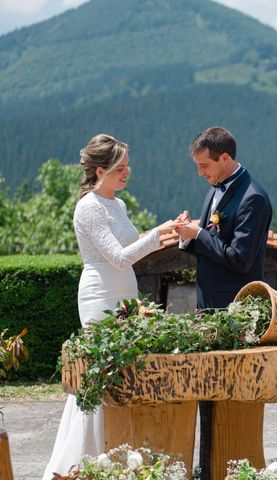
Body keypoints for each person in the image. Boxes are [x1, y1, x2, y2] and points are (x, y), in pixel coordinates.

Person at [42, 134, 178, 479]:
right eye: (120, 167)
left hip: (124, 291)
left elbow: (133, 245)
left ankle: (115, 453)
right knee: (99, 371)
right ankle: (83, 460)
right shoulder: (88, 207)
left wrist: (169, 232)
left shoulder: (118, 205)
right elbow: (118, 258)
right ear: (100, 170)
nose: (127, 173)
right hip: (100, 293)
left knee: (122, 368)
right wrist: (158, 234)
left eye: (127, 166)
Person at [176, 126, 272, 480]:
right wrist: (189, 237)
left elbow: (239, 260)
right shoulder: (214, 192)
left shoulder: (253, 198)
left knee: (232, 398)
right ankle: (208, 467)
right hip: (208, 308)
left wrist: (199, 235)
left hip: (235, 312)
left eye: (205, 166)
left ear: (225, 158)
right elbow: (208, 244)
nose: (201, 173)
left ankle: (231, 466)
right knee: (206, 392)